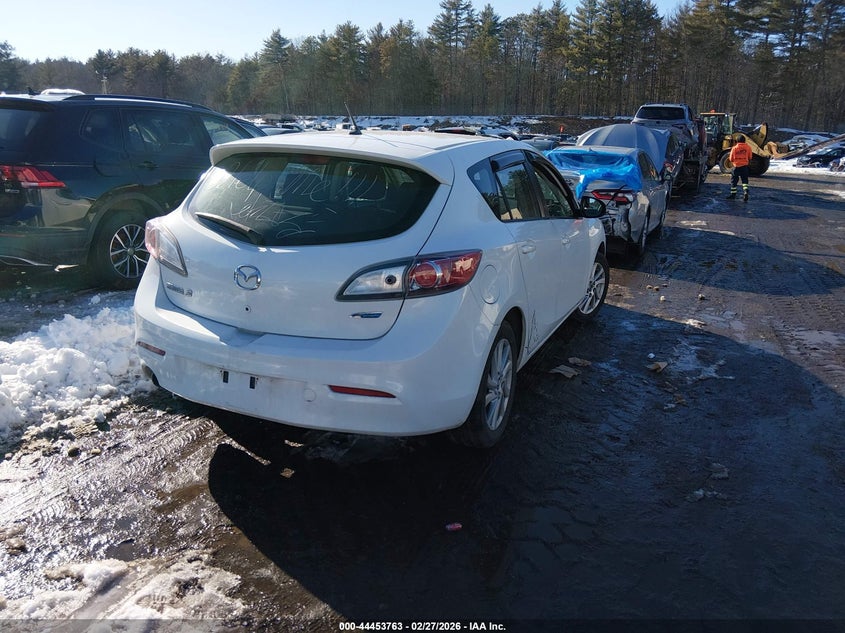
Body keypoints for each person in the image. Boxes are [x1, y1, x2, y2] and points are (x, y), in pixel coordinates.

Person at [727, 135, 752, 202]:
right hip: (744, 167)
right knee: (744, 181)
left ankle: (733, 195)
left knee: (734, 181)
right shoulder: (748, 147)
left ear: (737, 141)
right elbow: (750, 157)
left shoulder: (734, 148)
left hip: (736, 167)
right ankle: (745, 191)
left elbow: (731, 158)